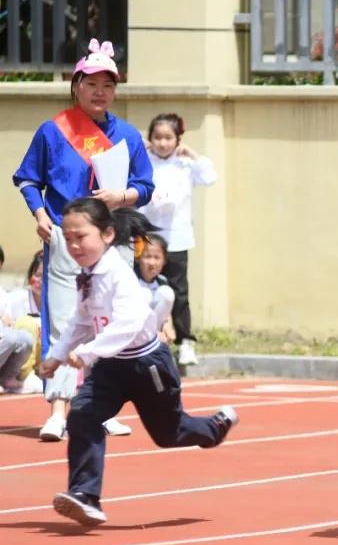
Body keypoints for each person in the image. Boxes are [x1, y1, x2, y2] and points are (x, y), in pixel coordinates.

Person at [42, 199, 238, 527]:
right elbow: (81, 319)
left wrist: (88, 352)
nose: (74, 245)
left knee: (168, 434)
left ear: (107, 234)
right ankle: (85, 495)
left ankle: (213, 428)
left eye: (81, 236)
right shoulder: (86, 274)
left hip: (147, 364)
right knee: (82, 416)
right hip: (110, 367)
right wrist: (57, 355)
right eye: (68, 237)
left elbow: (130, 323)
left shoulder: (118, 273)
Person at [12, 39, 155, 441]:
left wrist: (122, 197)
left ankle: (101, 406)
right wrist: (41, 217)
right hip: (64, 235)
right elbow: (27, 178)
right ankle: (58, 410)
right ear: (76, 85)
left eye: (108, 84)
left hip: (110, 239)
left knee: (106, 322)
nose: (99, 91)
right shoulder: (53, 131)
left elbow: (145, 186)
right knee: (63, 322)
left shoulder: (126, 134)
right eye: (91, 83)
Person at [139, 112, 218, 367]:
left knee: (179, 291)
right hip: (147, 236)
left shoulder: (186, 164)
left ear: (177, 140)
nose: (162, 143)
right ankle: (145, 338)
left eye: (168, 138)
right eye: (157, 137)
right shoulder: (142, 162)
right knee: (142, 288)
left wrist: (192, 154)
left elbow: (209, 177)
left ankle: (185, 341)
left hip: (176, 237)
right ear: (150, 139)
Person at [0, 250, 45, 394]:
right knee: (24, 328)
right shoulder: (17, 298)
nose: (40, 281)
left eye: (45, 277)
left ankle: (8, 379)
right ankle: (25, 375)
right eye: (37, 275)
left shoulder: (58, 303)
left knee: (24, 337)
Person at [130, 222, 177, 344]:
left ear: (164, 261)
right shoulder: (132, 279)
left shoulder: (162, 281)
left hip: (155, 329)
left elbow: (166, 312)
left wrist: (167, 325)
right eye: (147, 257)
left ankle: (155, 337)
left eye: (156, 258)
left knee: (167, 293)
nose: (152, 263)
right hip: (134, 330)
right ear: (138, 258)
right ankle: (150, 335)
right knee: (144, 294)